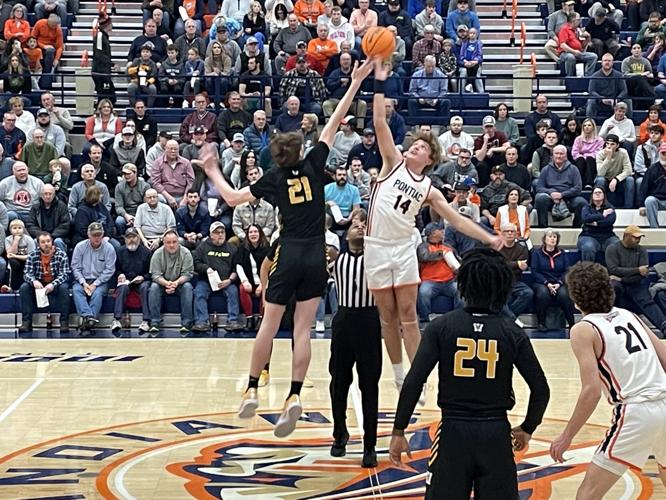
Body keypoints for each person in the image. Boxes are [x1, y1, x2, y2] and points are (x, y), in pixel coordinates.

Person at [201, 58, 376, 438]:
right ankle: (294, 396)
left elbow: (230, 199)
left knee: (269, 323)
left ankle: (250, 387)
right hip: (316, 252)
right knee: (302, 330)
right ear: (300, 150)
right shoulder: (315, 162)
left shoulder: (274, 178)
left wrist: (212, 168)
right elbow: (336, 118)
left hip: (287, 250)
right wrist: (356, 80)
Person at [368, 58, 503, 400]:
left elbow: (457, 220)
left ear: (429, 159)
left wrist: (489, 236)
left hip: (402, 246)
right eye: (414, 143)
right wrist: (381, 80)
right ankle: (398, 375)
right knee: (386, 319)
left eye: (422, 147)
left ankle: (417, 379)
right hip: (375, 246)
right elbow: (379, 119)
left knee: (409, 317)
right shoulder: (390, 163)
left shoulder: (430, 188)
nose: (415, 146)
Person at [389, 248, 550, 499]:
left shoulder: (441, 326)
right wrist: (528, 427)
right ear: (502, 286)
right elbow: (541, 389)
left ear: (463, 283)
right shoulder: (512, 331)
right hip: (496, 432)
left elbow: (414, 381)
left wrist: (399, 430)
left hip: (453, 431)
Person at [550, 262, 666, 498]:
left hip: (636, 412)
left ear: (575, 297)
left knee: (587, 494)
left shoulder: (583, 329)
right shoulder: (629, 315)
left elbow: (591, 391)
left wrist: (566, 436)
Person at [328, 216, 382, 468]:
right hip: (344, 321)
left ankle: (370, 444)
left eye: (364, 225)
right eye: (355, 225)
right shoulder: (334, 258)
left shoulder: (377, 256)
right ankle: (340, 433)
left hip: (370, 321)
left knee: (369, 384)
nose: (360, 226)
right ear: (345, 235)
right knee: (339, 381)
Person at [606, 225, 666, 336]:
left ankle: (664, 326)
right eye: (635, 237)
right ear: (626, 236)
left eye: (639, 238)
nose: (638, 240)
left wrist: (622, 278)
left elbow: (643, 274)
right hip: (619, 286)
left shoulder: (642, 250)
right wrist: (637, 270)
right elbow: (613, 269)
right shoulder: (612, 248)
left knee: (647, 301)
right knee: (614, 286)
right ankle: (608, 326)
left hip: (635, 284)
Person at [18, 231, 70, 334]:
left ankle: (64, 321)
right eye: (43, 242)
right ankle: (26, 322)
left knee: (64, 288)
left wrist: (53, 284)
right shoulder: (33, 255)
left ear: (52, 242)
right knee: (24, 287)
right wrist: (34, 281)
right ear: (38, 244)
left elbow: (65, 274)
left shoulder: (61, 254)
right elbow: (27, 273)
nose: (46, 244)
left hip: (55, 282)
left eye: (48, 241)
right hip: (39, 282)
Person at [71, 222, 116, 334]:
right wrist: (83, 282)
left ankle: (87, 320)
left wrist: (95, 283)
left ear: (103, 234)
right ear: (88, 235)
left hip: (100, 282)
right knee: (76, 290)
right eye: (94, 235)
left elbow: (109, 270)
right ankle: (89, 318)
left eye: (99, 235)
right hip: (83, 280)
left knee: (97, 293)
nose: (97, 238)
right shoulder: (80, 247)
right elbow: (75, 267)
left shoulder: (109, 248)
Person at [148, 229, 195, 336]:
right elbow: (155, 275)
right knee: (153, 287)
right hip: (162, 284)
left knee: (188, 287)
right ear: (163, 243)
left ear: (178, 242)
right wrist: (166, 283)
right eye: (168, 242)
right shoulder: (157, 254)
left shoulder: (186, 253)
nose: (171, 245)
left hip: (179, 283)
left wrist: (176, 283)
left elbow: (188, 274)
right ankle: (154, 322)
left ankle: (187, 322)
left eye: (174, 242)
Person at [417, 222, 462, 323]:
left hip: (449, 281)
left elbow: (458, 260)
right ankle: (424, 320)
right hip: (430, 281)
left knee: (460, 290)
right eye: (440, 230)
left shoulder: (447, 246)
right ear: (433, 233)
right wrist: (442, 253)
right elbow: (424, 257)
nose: (443, 231)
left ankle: (459, 318)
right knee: (423, 293)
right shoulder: (423, 246)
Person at [531, 228, 575, 330]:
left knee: (564, 294)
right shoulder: (536, 253)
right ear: (544, 239)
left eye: (554, 237)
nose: (552, 239)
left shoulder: (562, 253)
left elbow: (567, 271)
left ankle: (572, 323)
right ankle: (541, 323)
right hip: (541, 282)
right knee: (543, 294)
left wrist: (559, 283)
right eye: (550, 237)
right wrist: (547, 283)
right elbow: (535, 272)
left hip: (558, 282)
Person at [112, 227, 152, 336]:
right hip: (126, 281)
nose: (131, 240)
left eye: (134, 237)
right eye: (129, 237)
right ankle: (116, 320)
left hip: (141, 280)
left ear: (138, 238)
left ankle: (146, 320)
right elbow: (116, 269)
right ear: (125, 239)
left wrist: (143, 277)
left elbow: (151, 273)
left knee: (145, 287)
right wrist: (120, 274)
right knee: (122, 288)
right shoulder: (119, 251)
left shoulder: (146, 252)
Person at [534, 145, 587, 228]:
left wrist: (562, 195)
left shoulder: (573, 169)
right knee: (540, 198)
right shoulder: (546, 169)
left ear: (566, 156)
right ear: (552, 155)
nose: (559, 156)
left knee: (582, 202)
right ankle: (543, 227)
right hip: (550, 199)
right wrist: (551, 193)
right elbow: (539, 187)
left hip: (569, 198)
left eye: (561, 154)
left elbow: (578, 188)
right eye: (556, 153)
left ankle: (576, 228)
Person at [235, 224, 270, 329]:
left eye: (255, 232)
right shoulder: (242, 248)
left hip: (263, 281)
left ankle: (261, 319)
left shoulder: (267, 248)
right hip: (249, 281)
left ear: (260, 234)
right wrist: (245, 281)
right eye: (250, 232)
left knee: (267, 290)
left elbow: (270, 269)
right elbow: (238, 266)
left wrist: (262, 284)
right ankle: (249, 319)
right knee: (242, 288)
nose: (253, 234)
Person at [578, 186, 619, 262]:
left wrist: (596, 223)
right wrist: (602, 215)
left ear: (604, 195)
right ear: (592, 196)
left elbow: (609, 221)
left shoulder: (610, 208)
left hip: (608, 236)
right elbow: (585, 219)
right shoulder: (586, 207)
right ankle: (588, 272)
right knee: (588, 247)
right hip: (588, 235)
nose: (597, 194)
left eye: (600, 192)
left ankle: (613, 272)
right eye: (595, 193)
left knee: (616, 245)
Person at [25, 183, 70, 253]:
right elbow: (30, 225)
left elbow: (65, 225)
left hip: (56, 236)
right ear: (41, 195)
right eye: (45, 194)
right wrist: (41, 236)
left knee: (58, 241)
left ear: (54, 195)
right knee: (34, 241)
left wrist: (51, 236)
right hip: (40, 236)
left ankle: (62, 262)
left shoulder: (62, 206)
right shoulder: (35, 208)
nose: (48, 196)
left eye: (50, 194)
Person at [595, 133, 635, 208]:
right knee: (600, 180)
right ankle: (600, 207)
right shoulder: (600, 154)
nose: (609, 146)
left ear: (617, 145)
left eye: (612, 144)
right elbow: (600, 173)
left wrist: (616, 179)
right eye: (607, 144)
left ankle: (628, 208)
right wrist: (608, 158)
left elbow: (628, 170)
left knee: (630, 180)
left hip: (619, 180)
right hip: (606, 179)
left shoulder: (623, 152)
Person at [572, 117, 604, 188]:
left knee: (589, 159)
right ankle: (578, 183)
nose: (587, 127)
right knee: (580, 160)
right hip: (580, 160)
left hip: (593, 160)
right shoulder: (578, 139)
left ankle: (589, 183)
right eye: (585, 125)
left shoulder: (599, 140)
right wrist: (582, 157)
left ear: (593, 127)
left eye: (589, 125)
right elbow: (574, 152)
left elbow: (599, 153)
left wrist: (586, 156)